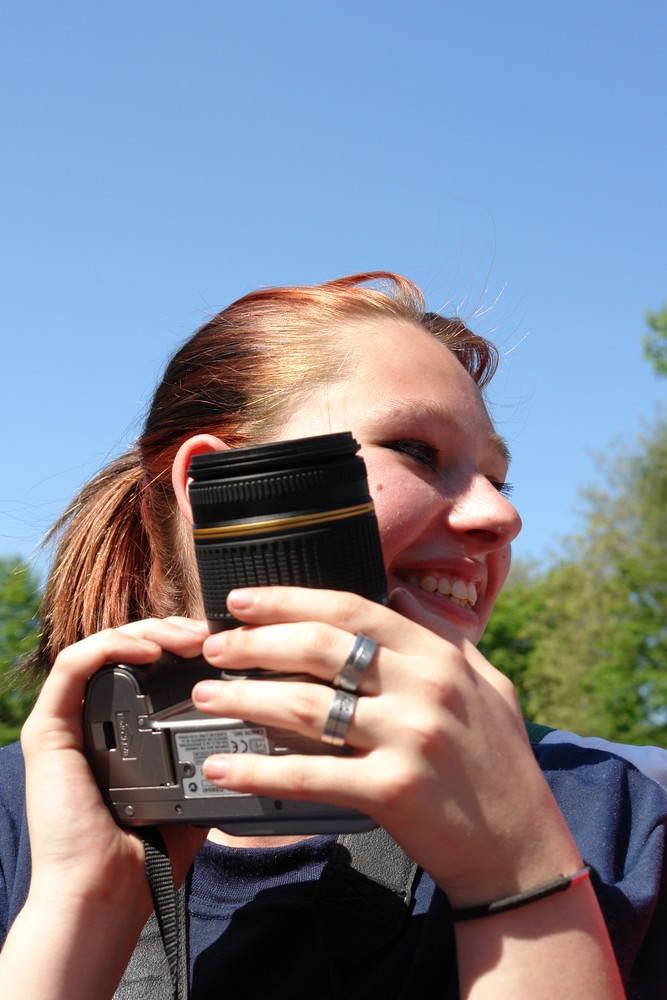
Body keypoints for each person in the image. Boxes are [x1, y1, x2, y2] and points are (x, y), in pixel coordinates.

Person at [0, 271, 665, 1000]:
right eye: (416, 448)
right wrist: (87, 909)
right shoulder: (21, 821)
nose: (499, 518)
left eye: (498, 481)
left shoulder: (628, 814)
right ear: (221, 483)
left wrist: (521, 875)